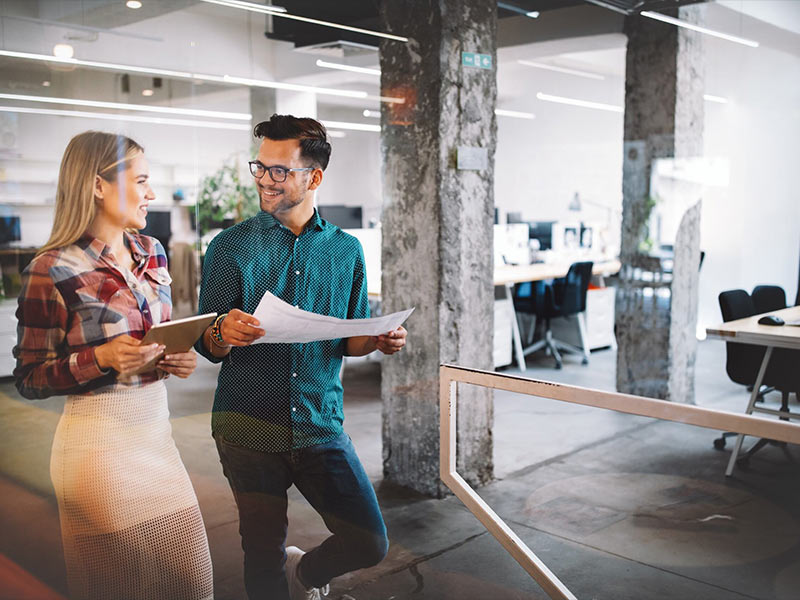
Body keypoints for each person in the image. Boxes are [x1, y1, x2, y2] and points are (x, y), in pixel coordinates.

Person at [195, 114, 407, 600]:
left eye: (279, 170)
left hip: (319, 421)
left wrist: (375, 339)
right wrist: (222, 331)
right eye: (260, 167)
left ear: (314, 177)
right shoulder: (230, 248)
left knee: (368, 540)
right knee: (262, 551)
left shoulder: (346, 251)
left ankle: (306, 576)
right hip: (247, 424)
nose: (264, 181)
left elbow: (347, 339)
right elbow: (206, 343)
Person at [13, 131, 213, 600]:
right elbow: (29, 378)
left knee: (194, 584)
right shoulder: (52, 268)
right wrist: (99, 358)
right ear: (98, 185)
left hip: (157, 442)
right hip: (96, 455)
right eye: (141, 180)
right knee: (116, 588)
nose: (152, 194)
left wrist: (173, 359)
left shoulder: (154, 252)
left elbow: (154, 340)